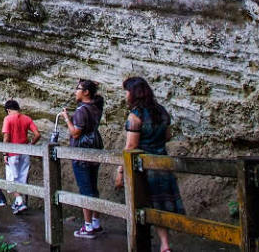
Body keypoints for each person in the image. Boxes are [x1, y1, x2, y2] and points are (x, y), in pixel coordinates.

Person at [114, 76, 185, 252]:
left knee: (143, 205)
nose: (125, 95)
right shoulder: (161, 111)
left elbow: (131, 146)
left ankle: (142, 244)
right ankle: (165, 245)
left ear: (133, 93)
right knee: (161, 203)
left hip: (143, 168)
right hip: (163, 162)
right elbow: (167, 136)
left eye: (126, 91)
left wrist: (120, 171)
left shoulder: (135, 116)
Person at [62, 79, 104, 239]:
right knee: (93, 187)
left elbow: (75, 133)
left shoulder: (81, 111)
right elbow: (99, 97)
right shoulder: (96, 106)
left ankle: (87, 227)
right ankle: (95, 222)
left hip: (82, 151)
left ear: (86, 92)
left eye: (78, 88)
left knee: (85, 189)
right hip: (95, 146)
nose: (75, 91)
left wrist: (66, 117)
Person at [1, 99, 40, 214]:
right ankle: (19, 203)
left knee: (11, 178)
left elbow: (6, 137)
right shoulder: (27, 119)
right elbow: (38, 134)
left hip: (12, 153)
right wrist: (31, 145)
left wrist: (4, 153)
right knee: (22, 178)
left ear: (8, 110)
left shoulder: (8, 119)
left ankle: (19, 201)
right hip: (25, 152)